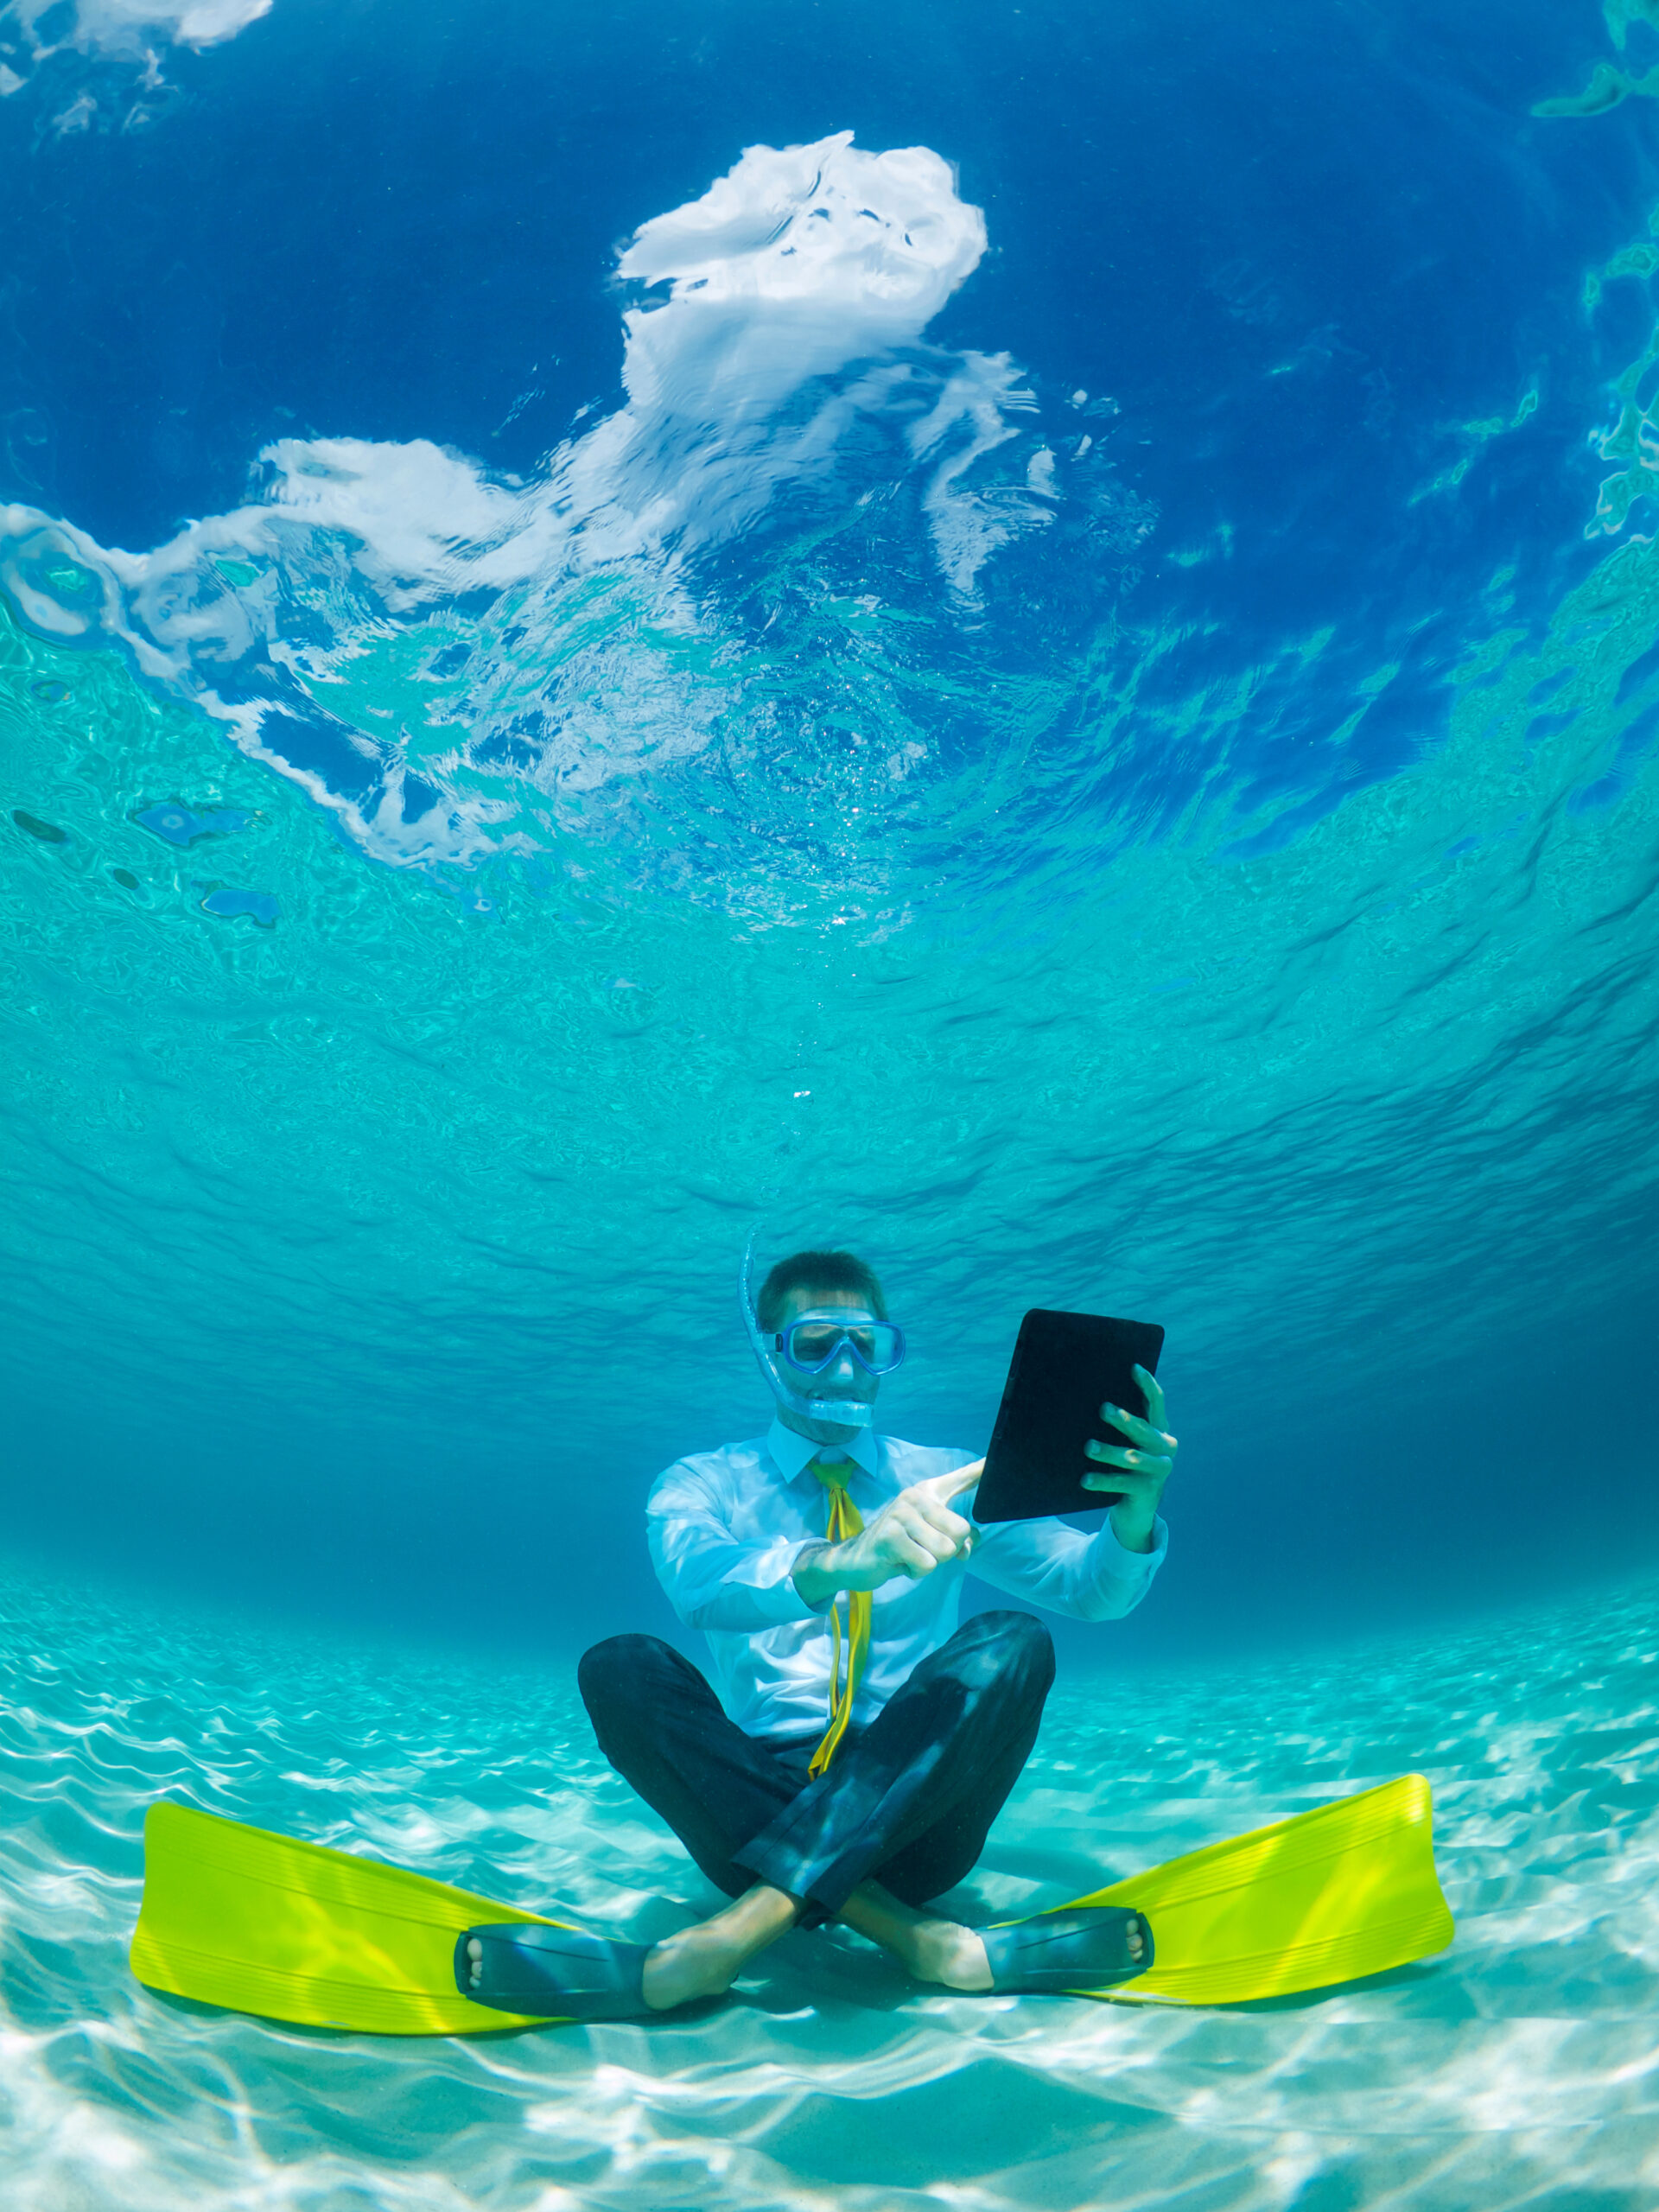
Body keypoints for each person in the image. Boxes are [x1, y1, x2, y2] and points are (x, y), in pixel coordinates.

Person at [466, 1243, 1176, 2016]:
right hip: (743, 1807)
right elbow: (702, 1588)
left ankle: (737, 1935)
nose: (843, 1369)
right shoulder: (701, 1482)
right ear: (770, 1358)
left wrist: (1133, 1514)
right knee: (619, 1664)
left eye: (867, 1345)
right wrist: (843, 1561)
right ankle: (921, 1941)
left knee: (1014, 1637)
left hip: (917, 1820)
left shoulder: (951, 1477)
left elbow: (1089, 1591)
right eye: (814, 1344)